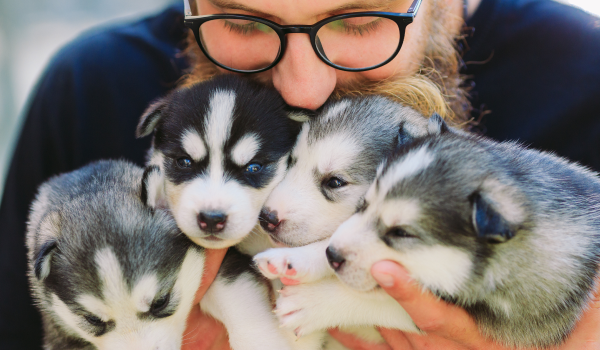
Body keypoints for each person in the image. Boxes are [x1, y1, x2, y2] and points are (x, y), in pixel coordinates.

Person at [0, 0, 599, 348]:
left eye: (361, 21)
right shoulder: (91, 88)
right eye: (245, 23)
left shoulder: (584, 78)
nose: (303, 89)